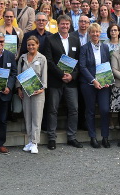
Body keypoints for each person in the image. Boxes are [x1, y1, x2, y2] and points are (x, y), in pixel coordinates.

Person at [40, 14, 82, 150]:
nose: (65, 26)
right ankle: (51, 138)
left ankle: (72, 137)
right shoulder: (50, 39)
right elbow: (49, 60)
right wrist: (61, 74)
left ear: (70, 25)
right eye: (62, 24)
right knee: (52, 110)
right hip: (55, 81)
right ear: (58, 25)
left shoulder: (75, 40)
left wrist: (72, 76)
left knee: (74, 109)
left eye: (67, 24)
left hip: (71, 82)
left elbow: (79, 61)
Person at [80, 23, 113, 148]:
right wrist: (93, 80)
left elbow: (107, 64)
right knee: (90, 111)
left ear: (100, 33)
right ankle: (93, 137)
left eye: (97, 32)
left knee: (104, 110)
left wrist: (107, 78)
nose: (95, 34)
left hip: (104, 83)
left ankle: (105, 137)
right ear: (89, 34)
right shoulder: (84, 48)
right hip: (89, 84)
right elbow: (82, 67)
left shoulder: (105, 47)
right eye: (92, 32)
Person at [17, 35, 46, 154]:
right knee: (27, 116)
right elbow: (18, 74)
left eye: (33, 44)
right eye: (29, 45)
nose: (31, 47)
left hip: (38, 92)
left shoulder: (42, 58)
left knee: (37, 117)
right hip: (25, 92)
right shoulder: (22, 58)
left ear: (37, 45)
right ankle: (29, 140)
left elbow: (44, 76)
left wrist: (42, 88)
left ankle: (35, 142)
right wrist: (18, 88)